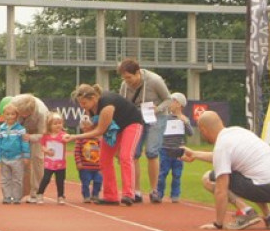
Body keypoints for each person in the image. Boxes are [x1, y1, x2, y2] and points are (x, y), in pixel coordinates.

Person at [183, 111, 270, 230]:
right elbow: (222, 157)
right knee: (252, 173)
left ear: (203, 130)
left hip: (266, 187)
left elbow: (221, 189)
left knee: (209, 178)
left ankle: (246, 211)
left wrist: (218, 224)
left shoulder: (222, 145)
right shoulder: (238, 131)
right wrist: (194, 154)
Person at [66, 84, 145, 206]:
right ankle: (110, 196)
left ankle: (129, 194)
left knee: (125, 156)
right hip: (115, 128)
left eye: (84, 103)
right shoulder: (90, 108)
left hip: (131, 123)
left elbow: (100, 131)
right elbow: (97, 126)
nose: (82, 106)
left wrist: (74, 137)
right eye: (80, 103)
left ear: (93, 98)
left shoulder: (107, 106)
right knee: (104, 159)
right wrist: (90, 126)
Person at [118, 58, 172, 202]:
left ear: (137, 73)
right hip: (136, 118)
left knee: (152, 152)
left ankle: (154, 190)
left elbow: (168, 99)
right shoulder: (124, 85)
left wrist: (158, 109)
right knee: (133, 153)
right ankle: (136, 191)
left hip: (156, 117)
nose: (127, 81)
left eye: (129, 77)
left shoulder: (155, 80)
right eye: (124, 78)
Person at [9, 94, 50, 203]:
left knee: (37, 159)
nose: (20, 116)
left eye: (22, 114)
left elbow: (43, 134)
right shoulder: (14, 102)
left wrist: (30, 137)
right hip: (20, 133)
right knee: (19, 161)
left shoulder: (42, 113)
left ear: (30, 112)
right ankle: (19, 192)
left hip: (36, 133)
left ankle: (36, 193)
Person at [154, 92, 193, 203]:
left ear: (178, 104)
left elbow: (191, 133)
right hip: (164, 149)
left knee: (177, 174)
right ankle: (159, 194)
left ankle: (175, 195)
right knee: (162, 173)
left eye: (172, 101)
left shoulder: (184, 119)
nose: (170, 104)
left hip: (178, 150)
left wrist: (186, 123)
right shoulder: (165, 118)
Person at [0, 101, 29, 204]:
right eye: (7, 114)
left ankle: (17, 197)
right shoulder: (1, 129)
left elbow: (25, 143)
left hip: (17, 158)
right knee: (5, 179)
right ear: (3, 115)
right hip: (5, 158)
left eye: (13, 114)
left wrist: (26, 156)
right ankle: (7, 197)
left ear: (17, 116)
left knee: (17, 179)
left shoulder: (20, 129)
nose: (10, 116)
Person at [35, 111, 68, 204]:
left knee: (60, 181)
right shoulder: (46, 136)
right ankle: (40, 194)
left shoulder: (63, 135)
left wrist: (68, 137)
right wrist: (46, 151)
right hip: (49, 163)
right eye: (55, 123)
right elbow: (42, 146)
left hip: (60, 164)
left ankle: (61, 196)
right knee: (46, 179)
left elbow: (68, 138)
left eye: (60, 123)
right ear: (49, 125)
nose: (58, 125)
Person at [74, 114, 103, 203]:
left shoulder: (98, 139)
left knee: (98, 181)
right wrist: (78, 163)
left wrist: (102, 164)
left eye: (88, 125)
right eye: (84, 126)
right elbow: (77, 152)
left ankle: (95, 195)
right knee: (85, 182)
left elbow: (102, 152)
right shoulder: (80, 139)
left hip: (97, 166)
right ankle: (86, 196)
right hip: (85, 167)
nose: (86, 128)